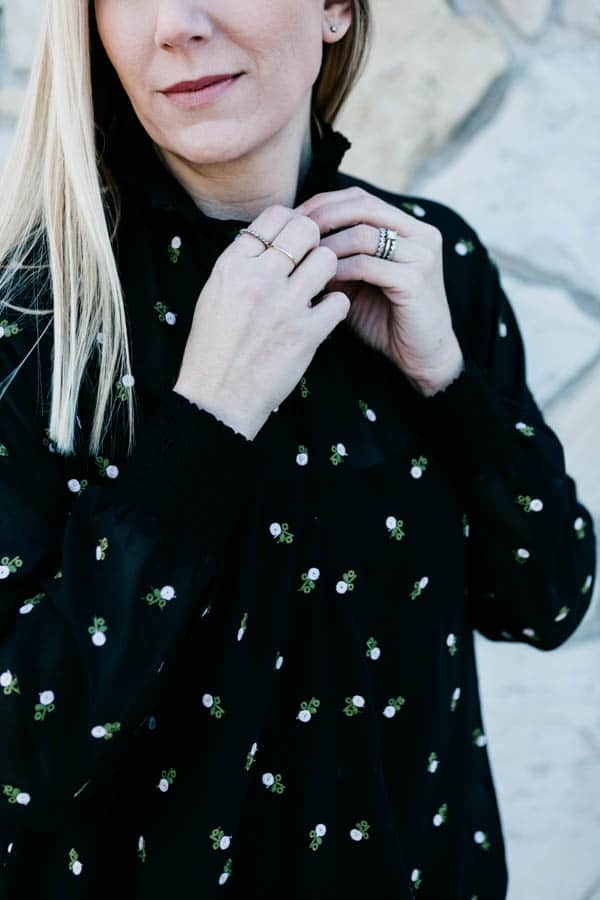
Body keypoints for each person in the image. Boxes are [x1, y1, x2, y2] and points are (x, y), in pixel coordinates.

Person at [0, 1, 595, 898]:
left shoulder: (435, 264)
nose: (175, 24)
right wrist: (203, 426)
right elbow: (18, 754)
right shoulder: (34, 323)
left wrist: (450, 384)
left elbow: (548, 598)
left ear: (334, 9)